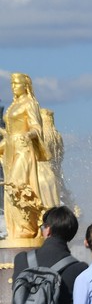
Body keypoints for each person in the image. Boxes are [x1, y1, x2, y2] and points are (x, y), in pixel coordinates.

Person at [1, 72, 49, 239]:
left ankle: (26, 228)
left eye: (16, 84)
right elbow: (9, 131)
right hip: (10, 149)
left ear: (25, 86)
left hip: (23, 148)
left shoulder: (30, 103)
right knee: (8, 188)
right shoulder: (13, 105)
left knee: (18, 186)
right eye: (12, 84)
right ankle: (14, 230)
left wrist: (29, 135)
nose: (13, 87)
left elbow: (37, 128)